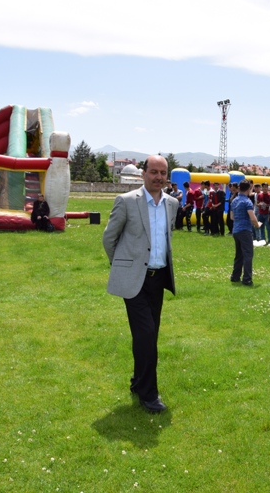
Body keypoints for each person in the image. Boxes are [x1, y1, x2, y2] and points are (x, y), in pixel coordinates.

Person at [102, 155, 179, 414]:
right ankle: (149, 394)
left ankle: (137, 381)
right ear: (143, 174)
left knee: (148, 335)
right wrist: (123, 266)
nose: (159, 177)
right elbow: (109, 238)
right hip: (135, 280)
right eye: (154, 172)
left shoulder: (172, 204)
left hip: (159, 278)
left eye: (163, 173)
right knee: (146, 335)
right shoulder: (126, 201)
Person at [230, 180, 262, 286]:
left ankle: (235, 276)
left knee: (239, 255)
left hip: (236, 230)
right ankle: (247, 279)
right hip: (245, 230)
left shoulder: (234, 201)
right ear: (249, 189)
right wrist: (257, 225)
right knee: (248, 255)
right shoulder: (247, 202)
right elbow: (252, 217)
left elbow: (232, 217)